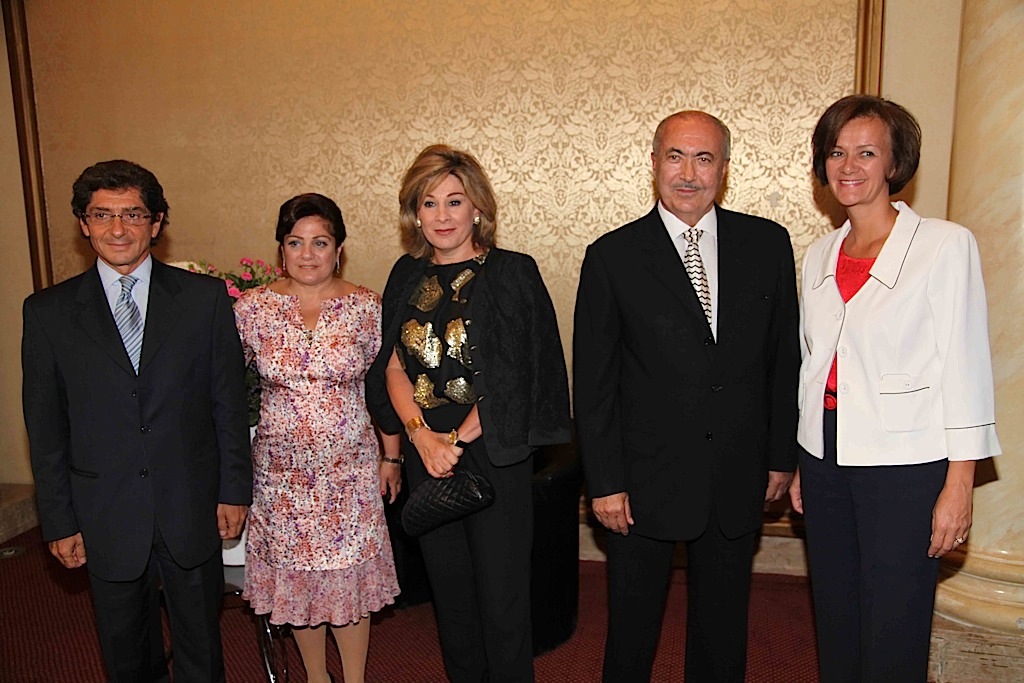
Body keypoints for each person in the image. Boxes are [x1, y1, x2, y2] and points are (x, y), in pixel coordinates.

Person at [573, 111, 800, 682]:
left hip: (736, 473)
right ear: (654, 164)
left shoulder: (767, 245)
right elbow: (595, 384)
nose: (689, 173)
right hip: (641, 481)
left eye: (704, 159)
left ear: (724, 168)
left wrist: (780, 456)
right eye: (676, 156)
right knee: (631, 634)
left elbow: (783, 360)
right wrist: (604, 482)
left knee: (723, 634)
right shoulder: (612, 256)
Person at [789, 95, 1001, 682]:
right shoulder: (818, 254)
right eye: (836, 152)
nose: (848, 166)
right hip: (825, 457)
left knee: (894, 625)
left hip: (905, 466)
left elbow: (965, 364)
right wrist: (806, 457)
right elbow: (814, 363)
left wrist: (960, 483)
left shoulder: (943, 245)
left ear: (894, 162)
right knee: (836, 615)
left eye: (866, 152)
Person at [21, 160, 252, 682]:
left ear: (157, 222)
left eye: (133, 214)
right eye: (102, 215)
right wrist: (59, 519)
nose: (118, 229)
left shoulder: (203, 300)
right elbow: (46, 427)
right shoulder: (47, 313)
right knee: (125, 652)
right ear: (84, 224)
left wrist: (233, 490)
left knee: (201, 648)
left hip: (191, 503)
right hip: (104, 510)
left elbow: (228, 404)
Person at [366, 144, 571, 682]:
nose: (442, 216)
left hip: (493, 451)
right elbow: (392, 366)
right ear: (414, 213)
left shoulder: (513, 273)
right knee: (452, 602)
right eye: (429, 203)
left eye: (454, 201)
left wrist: (453, 442)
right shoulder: (406, 274)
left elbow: (517, 377)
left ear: (477, 207)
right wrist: (422, 439)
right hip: (427, 456)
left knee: (503, 603)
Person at [233, 193, 401, 683]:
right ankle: (316, 678)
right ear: (280, 249)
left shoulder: (367, 307)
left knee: (347, 576)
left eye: (320, 242)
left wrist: (392, 457)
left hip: (349, 472)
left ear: (339, 249)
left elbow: (386, 385)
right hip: (280, 478)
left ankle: (354, 679)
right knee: (299, 580)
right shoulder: (252, 309)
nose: (307, 254)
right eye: (295, 242)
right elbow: (221, 388)